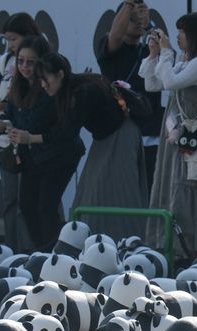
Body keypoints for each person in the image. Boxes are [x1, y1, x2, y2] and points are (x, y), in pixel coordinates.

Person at [141, 11, 197, 257]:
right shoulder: (185, 61)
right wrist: (154, 54)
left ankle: (191, 247)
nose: (177, 37)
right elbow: (152, 84)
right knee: (169, 184)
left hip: (192, 137)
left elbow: (169, 82)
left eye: (182, 32)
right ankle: (165, 243)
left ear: (195, 35)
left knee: (188, 187)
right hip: (174, 135)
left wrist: (166, 53)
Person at [37, 53, 147, 244]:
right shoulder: (76, 89)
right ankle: (96, 243)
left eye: (45, 79)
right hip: (108, 137)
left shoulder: (82, 92)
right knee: (90, 195)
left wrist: (32, 137)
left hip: (120, 137)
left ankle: (126, 243)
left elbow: (66, 132)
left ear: (60, 75)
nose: (43, 85)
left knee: (119, 193)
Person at [4, 36, 84, 252]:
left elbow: (45, 124)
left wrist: (26, 134)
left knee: (46, 206)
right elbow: (14, 115)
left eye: (30, 62)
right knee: (27, 205)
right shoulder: (17, 86)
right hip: (32, 156)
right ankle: (44, 249)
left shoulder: (50, 88)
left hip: (57, 155)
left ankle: (55, 251)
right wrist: (3, 125)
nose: (24, 67)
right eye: (20, 61)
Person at [0, 12, 41, 252]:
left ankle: (31, 251)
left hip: (30, 141)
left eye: (13, 39)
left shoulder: (41, 63)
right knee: (9, 200)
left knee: (29, 201)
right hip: (6, 140)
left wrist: (9, 109)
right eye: (7, 40)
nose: (10, 45)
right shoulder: (7, 63)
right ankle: (11, 250)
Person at [97, 0, 165, 194]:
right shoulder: (110, 47)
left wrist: (150, 27)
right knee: (122, 191)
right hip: (120, 130)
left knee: (151, 191)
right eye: (131, 18)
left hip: (151, 134)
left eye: (141, 16)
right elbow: (115, 35)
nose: (137, 21)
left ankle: (150, 226)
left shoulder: (151, 50)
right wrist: (129, 4)